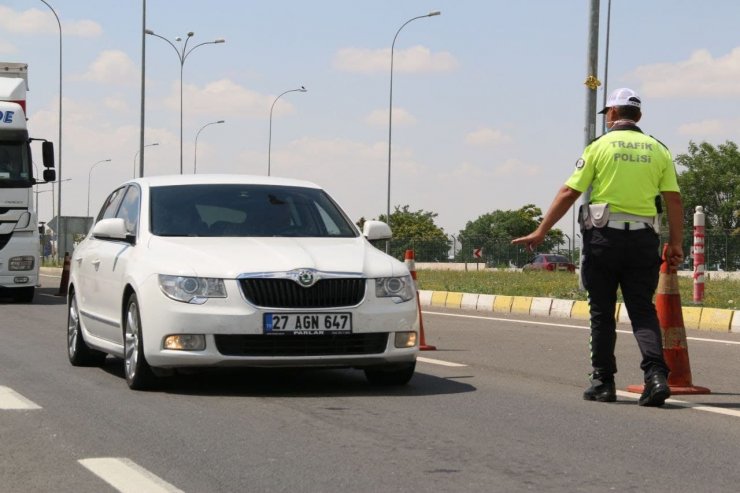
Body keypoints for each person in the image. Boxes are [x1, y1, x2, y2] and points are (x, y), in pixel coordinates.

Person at [512, 88, 684, 407]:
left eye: (607, 114)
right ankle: (657, 376)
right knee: (642, 310)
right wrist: (675, 243)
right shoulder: (658, 149)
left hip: (604, 240)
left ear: (612, 115)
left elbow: (568, 192)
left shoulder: (599, 147)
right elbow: (673, 199)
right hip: (644, 240)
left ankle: (603, 381)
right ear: (639, 117)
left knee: (602, 312)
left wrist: (541, 231)